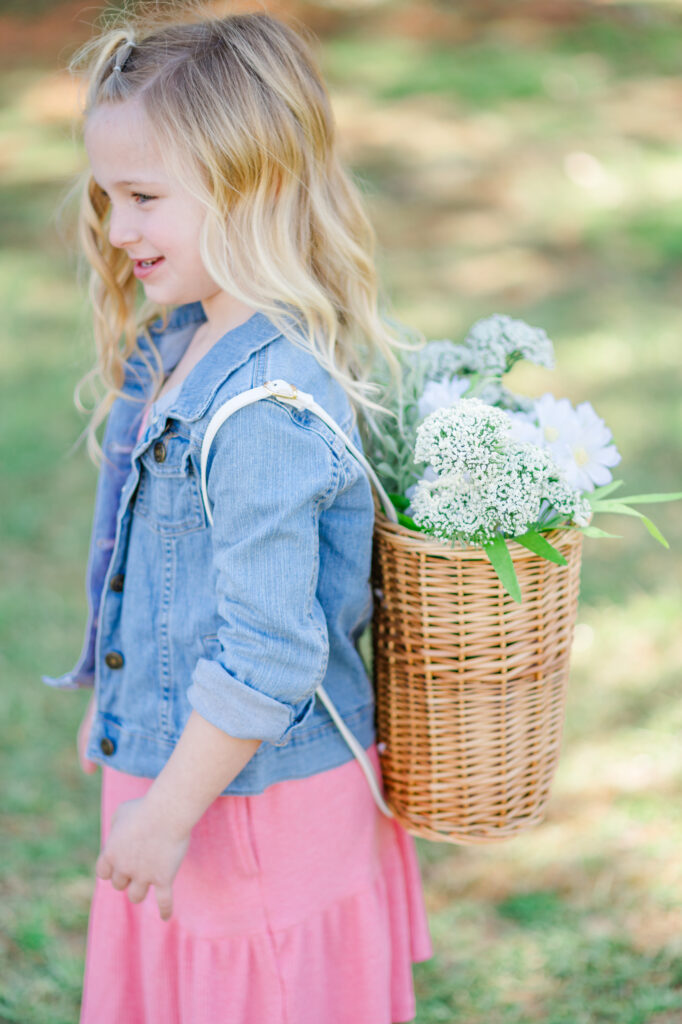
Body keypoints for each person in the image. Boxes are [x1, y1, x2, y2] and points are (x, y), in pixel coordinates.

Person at [43, 7, 432, 1023]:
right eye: (107, 196)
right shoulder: (182, 343)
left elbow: (269, 648)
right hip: (186, 770)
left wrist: (167, 808)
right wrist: (121, 711)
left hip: (248, 806)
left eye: (142, 196)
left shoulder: (265, 402)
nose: (117, 228)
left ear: (247, 183)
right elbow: (164, 580)